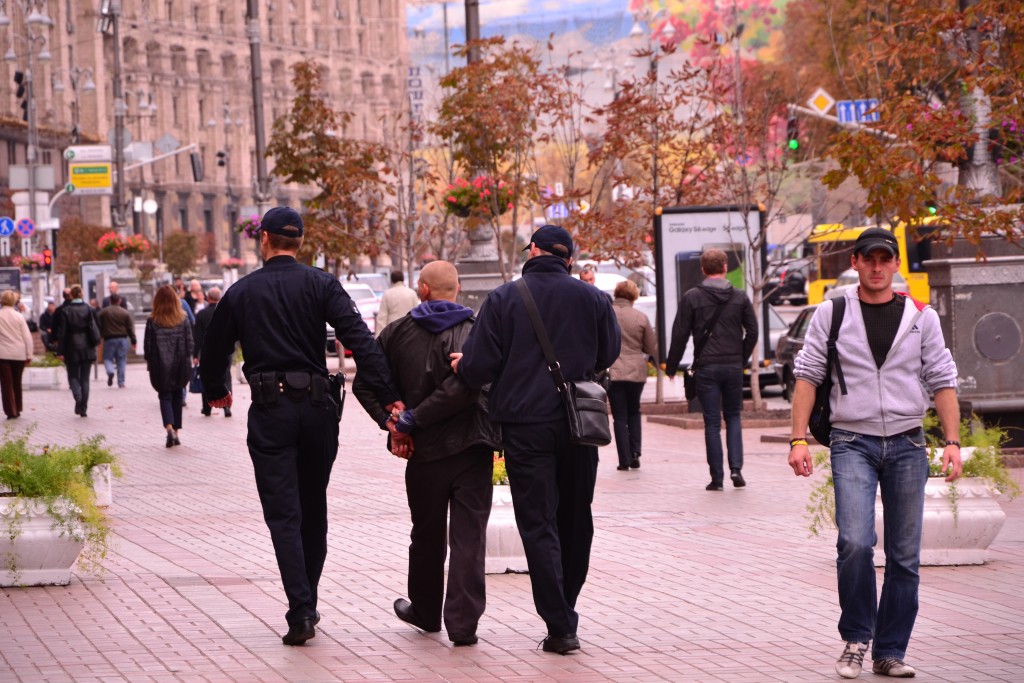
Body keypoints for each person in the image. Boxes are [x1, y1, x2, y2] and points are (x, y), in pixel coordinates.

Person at [199, 206, 404, 647]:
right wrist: (389, 396)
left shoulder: (243, 291)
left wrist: (216, 390)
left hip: (270, 410)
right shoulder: (321, 283)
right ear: (300, 242)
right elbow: (361, 340)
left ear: (266, 239)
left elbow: (213, 347)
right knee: (313, 508)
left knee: (283, 514)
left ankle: (301, 610)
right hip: (317, 409)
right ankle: (307, 600)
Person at [787, 227, 962, 679]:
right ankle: (856, 639)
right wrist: (798, 438)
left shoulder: (921, 317)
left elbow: (943, 379)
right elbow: (807, 375)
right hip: (851, 441)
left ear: (896, 264)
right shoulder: (834, 312)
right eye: (870, 259)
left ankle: (890, 650)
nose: (878, 266)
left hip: (907, 443)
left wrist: (953, 442)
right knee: (855, 542)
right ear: (856, 263)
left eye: (886, 259)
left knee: (904, 556)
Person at [451, 225, 620, 654]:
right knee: (577, 517)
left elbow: (478, 368)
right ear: (568, 258)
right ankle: (566, 606)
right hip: (580, 422)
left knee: (538, 521)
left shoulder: (506, 298)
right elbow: (608, 354)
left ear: (534, 252)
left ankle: (561, 624)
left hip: (525, 426)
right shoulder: (594, 299)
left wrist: (463, 365)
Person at [353, 261, 500, 647]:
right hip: (473, 447)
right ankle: (463, 625)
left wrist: (394, 422)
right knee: (469, 537)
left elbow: (365, 384)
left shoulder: (396, 333)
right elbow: (479, 388)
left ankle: (425, 609)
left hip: (422, 453)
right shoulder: (477, 333)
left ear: (422, 289)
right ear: (458, 287)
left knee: (426, 534)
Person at [664, 248, 758, 491]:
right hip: (732, 366)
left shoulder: (692, 297)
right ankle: (736, 469)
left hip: (706, 367)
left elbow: (680, 334)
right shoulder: (740, 297)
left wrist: (672, 366)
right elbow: (753, 331)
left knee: (712, 423)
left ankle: (717, 479)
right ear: (725, 267)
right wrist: (741, 356)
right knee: (734, 416)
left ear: (703, 270)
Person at [608, 279, 657, 471]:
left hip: (614, 370)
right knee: (634, 411)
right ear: (634, 296)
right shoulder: (641, 317)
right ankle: (636, 452)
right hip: (636, 371)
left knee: (619, 415)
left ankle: (624, 459)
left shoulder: (608, 314)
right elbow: (650, 347)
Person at [144, 285, 193, 448]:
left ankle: (169, 428)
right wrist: (188, 358)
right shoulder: (183, 318)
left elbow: (148, 345)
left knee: (164, 396)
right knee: (178, 396)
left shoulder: (153, 321)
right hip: (180, 364)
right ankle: (177, 432)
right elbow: (189, 343)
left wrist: (149, 362)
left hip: (160, 365)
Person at [54, 284, 101, 417]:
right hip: (87, 347)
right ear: (81, 294)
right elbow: (96, 327)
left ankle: (77, 396)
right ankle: (83, 408)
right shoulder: (90, 309)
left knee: (73, 376)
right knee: (85, 379)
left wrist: (60, 351)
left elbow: (62, 332)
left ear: (71, 295)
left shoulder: (66, 310)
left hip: (71, 347)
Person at [192, 287, 231, 417]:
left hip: (206, 351)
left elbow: (197, 337)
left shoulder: (201, 314)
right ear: (219, 298)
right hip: (225, 350)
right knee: (226, 375)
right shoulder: (225, 312)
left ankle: (207, 406)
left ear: (208, 298)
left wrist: (195, 354)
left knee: (206, 376)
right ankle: (227, 406)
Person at [0, 290, 33, 420]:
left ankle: (10, 410)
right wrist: (29, 354)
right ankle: (18, 407)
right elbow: (27, 337)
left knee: (6, 383)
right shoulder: (19, 316)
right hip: (19, 354)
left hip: (2, 354)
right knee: (17, 382)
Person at [97, 293, 137, 388]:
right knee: (121, 360)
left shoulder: (104, 312)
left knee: (107, 358)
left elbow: (98, 325)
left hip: (109, 339)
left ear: (110, 301)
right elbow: (130, 328)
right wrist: (133, 340)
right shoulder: (125, 313)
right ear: (119, 301)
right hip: (122, 339)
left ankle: (110, 371)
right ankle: (121, 382)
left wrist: (98, 338)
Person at [375, 270, 420, 334]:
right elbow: (417, 313)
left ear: (392, 280)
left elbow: (382, 317)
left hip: (392, 331)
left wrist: (379, 336)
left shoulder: (387, 294)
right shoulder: (412, 293)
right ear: (403, 279)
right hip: (409, 330)